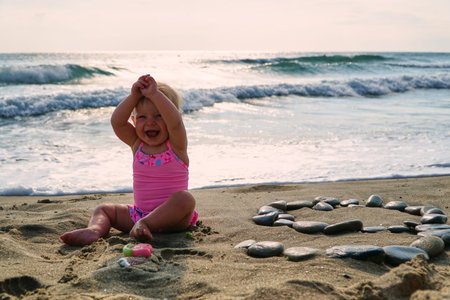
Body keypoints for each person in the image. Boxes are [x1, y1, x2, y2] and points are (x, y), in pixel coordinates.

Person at [60, 74, 197, 246]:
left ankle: (146, 225)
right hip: (138, 217)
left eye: (159, 116)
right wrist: (134, 96)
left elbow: (176, 123)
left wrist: (155, 94)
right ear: (133, 120)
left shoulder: (177, 146)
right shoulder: (137, 144)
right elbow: (117, 122)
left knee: (185, 199)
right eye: (142, 117)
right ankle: (95, 230)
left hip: (173, 219)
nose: (150, 123)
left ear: (170, 119)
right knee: (104, 209)